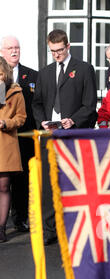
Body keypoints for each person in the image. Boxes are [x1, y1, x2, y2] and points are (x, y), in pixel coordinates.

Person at [32, 29, 98, 245]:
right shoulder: (45, 72)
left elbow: (89, 104)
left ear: (68, 46)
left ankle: (74, 229)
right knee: (49, 184)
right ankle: (49, 230)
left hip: (73, 134)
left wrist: (74, 120)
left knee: (73, 182)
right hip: (49, 134)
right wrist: (42, 121)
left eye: (60, 50)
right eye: (52, 51)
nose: (56, 55)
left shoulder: (84, 69)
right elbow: (38, 103)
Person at [0, 35, 38, 232]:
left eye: (17, 47)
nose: (14, 51)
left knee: (21, 181)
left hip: (23, 135)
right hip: (3, 139)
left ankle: (20, 218)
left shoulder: (32, 76)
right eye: (10, 48)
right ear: (2, 52)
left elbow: (35, 107)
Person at [0, 57, 26, 243]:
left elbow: (21, 117)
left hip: (6, 143)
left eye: (0, 74)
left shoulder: (16, 92)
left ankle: (1, 228)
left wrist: (6, 123)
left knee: (3, 186)